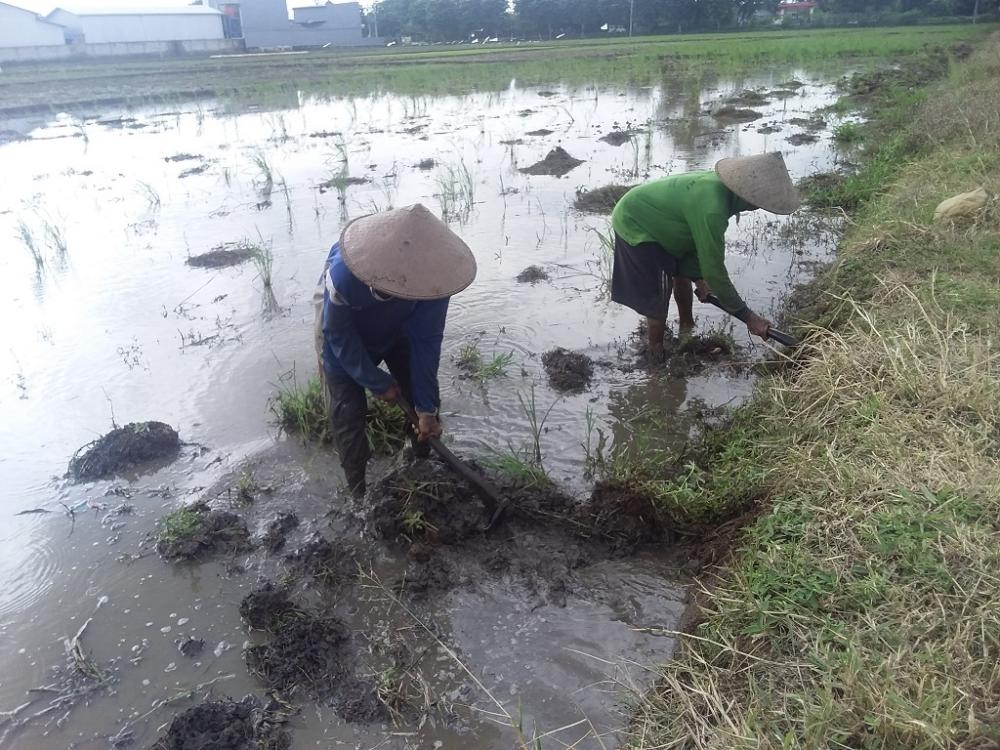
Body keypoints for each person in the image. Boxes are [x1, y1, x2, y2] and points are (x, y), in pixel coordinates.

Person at [312, 203, 477, 498]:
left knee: (423, 401)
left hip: (399, 325)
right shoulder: (344, 275)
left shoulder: (434, 282)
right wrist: (375, 381)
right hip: (342, 330)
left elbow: (426, 342)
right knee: (348, 413)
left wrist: (426, 409)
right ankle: (358, 495)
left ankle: (422, 466)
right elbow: (337, 333)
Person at [610, 152, 800, 359]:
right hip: (636, 222)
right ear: (752, 198)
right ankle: (655, 355)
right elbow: (715, 271)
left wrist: (699, 279)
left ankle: (686, 328)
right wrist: (749, 318)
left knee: (680, 275)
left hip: (668, 224)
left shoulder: (722, 192)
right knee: (658, 296)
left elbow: (695, 239)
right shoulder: (713, 207)